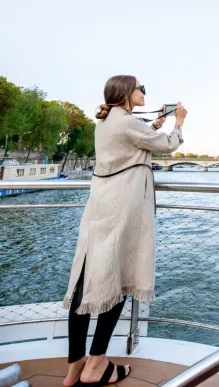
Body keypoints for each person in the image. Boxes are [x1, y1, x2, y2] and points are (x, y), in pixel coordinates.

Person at [62, 75, 187, 386]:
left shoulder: (110, 121)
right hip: (121, 209)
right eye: (140, 88)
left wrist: (155, 123)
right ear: (126, 92)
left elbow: (135, 140)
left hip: (102, 208)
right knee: (118, 281)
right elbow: (166, 146)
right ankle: (96, 364)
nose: (144, 92)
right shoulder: (126, 122)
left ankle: (75, 365)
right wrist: (178, 123)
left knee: (85, 280)